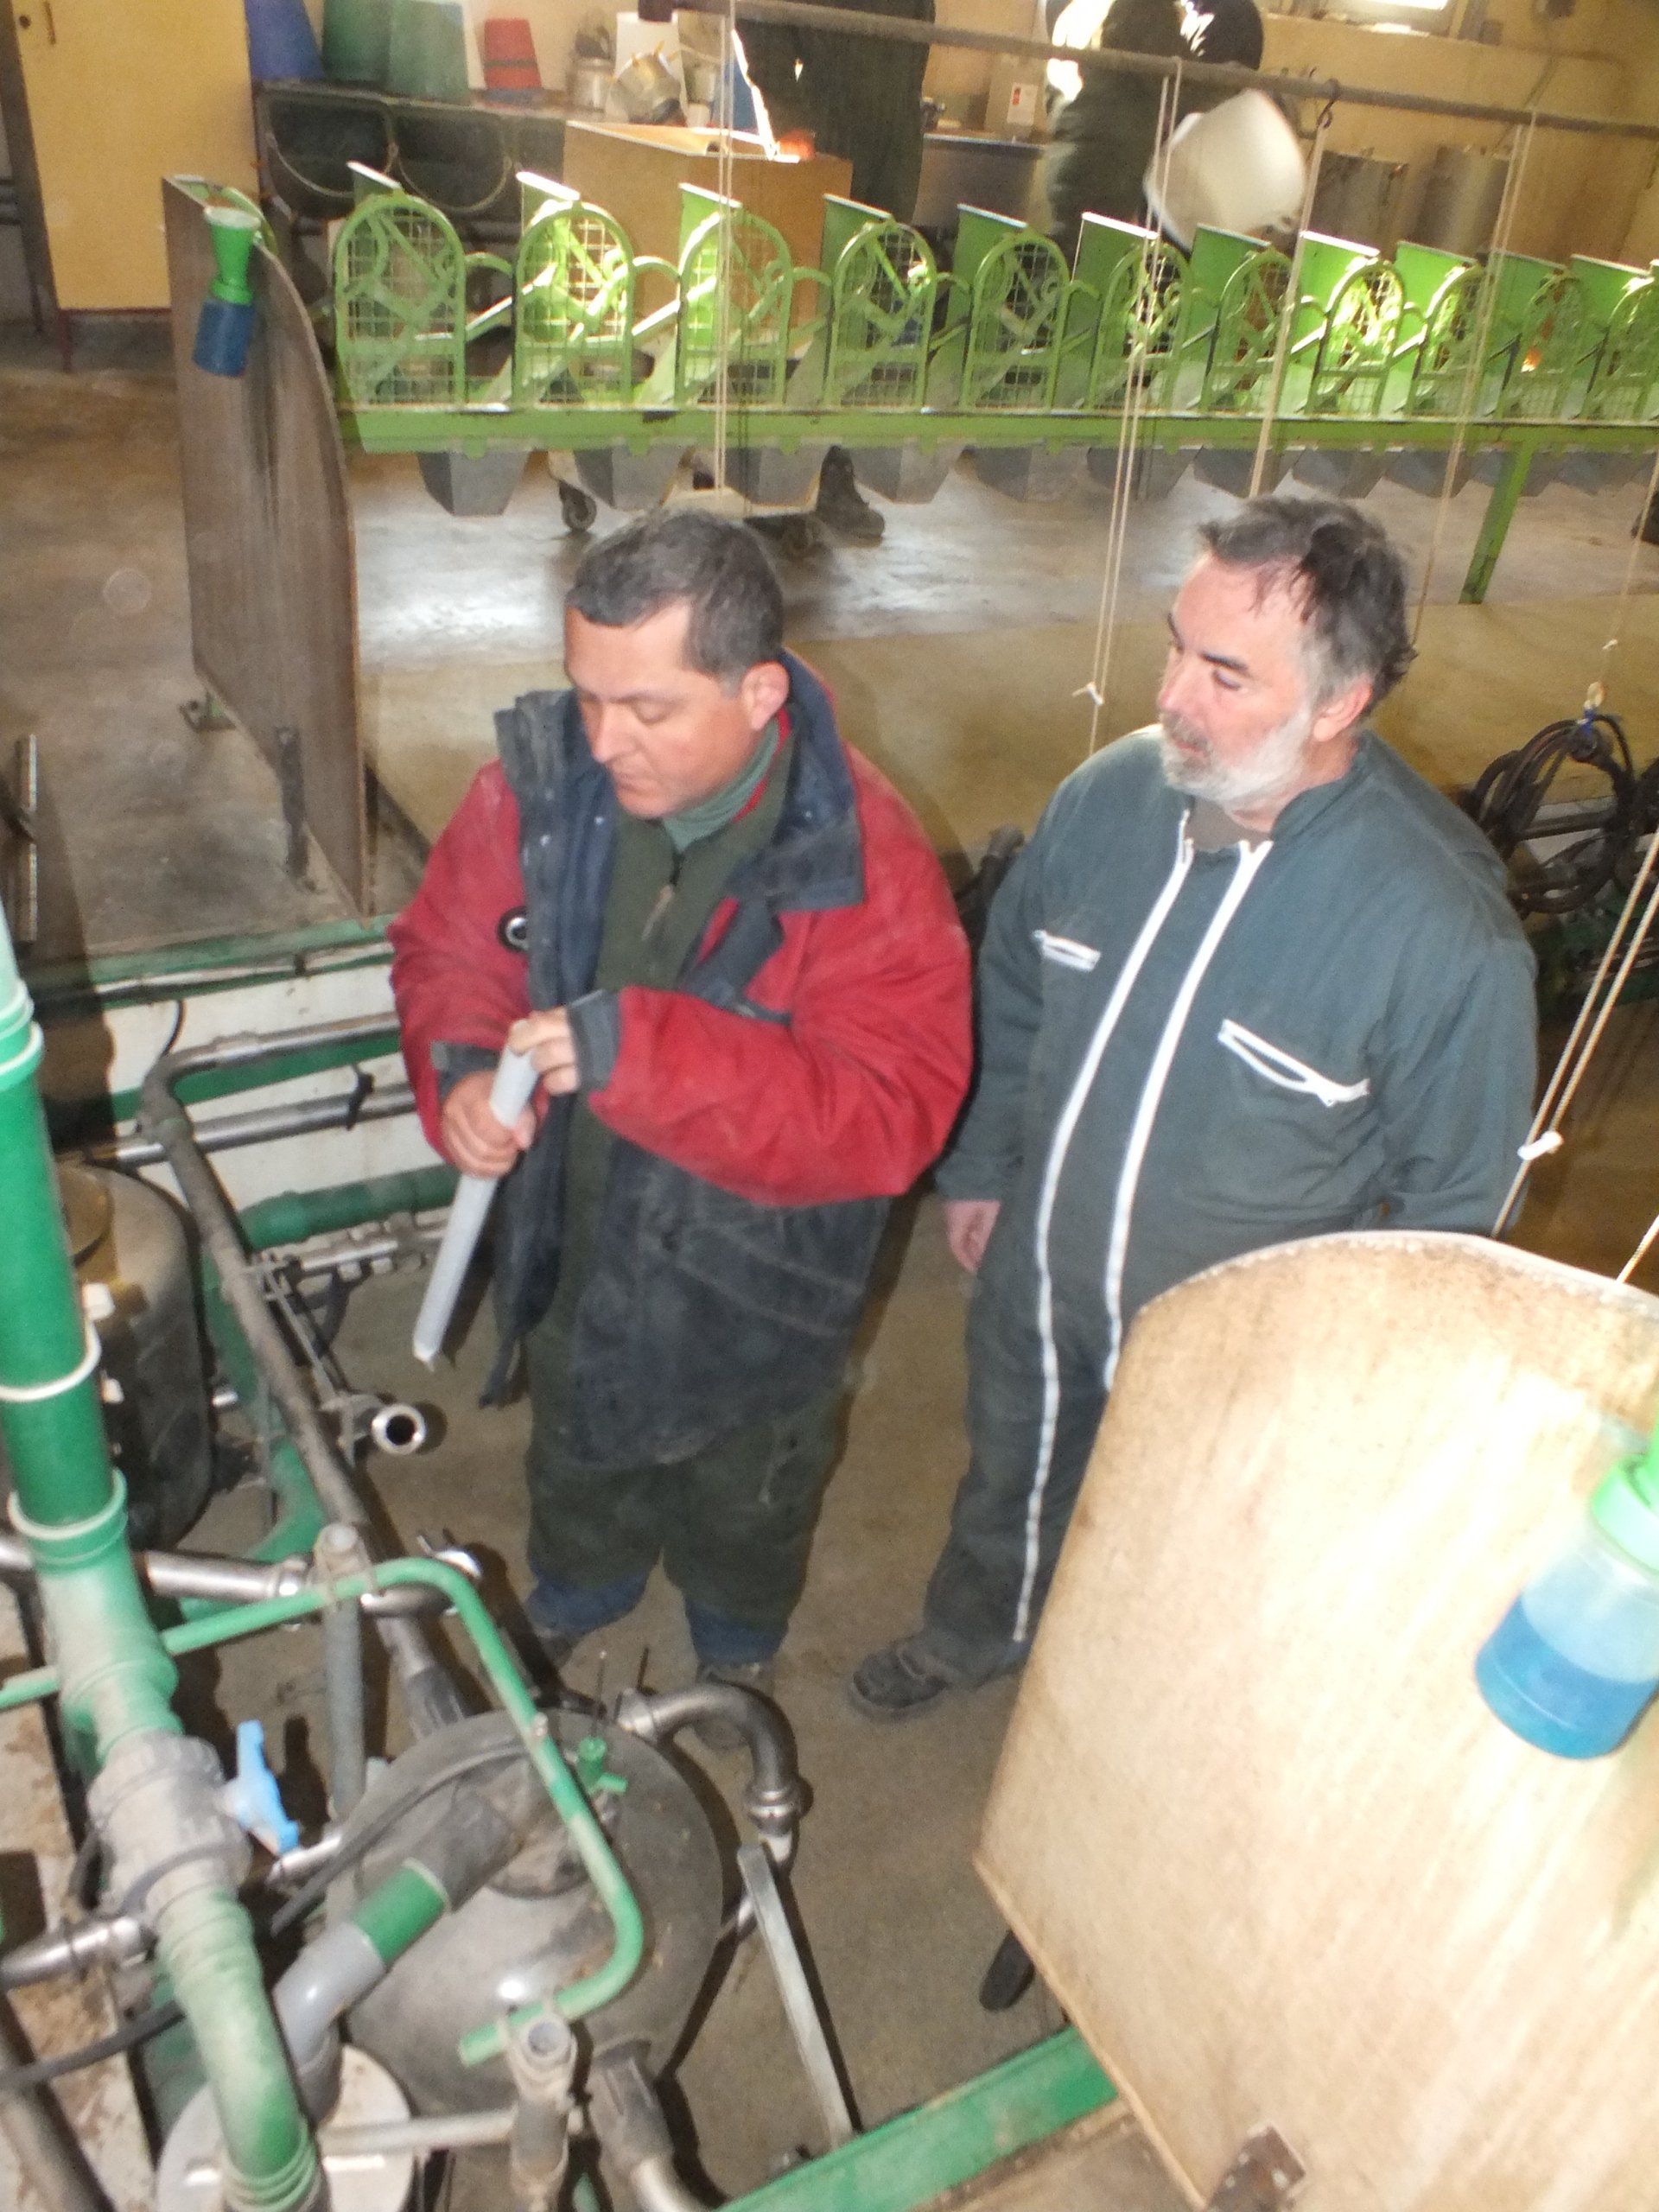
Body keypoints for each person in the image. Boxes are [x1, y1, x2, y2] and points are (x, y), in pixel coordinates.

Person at [849, 495, 1538, 1721]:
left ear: (1340, 702)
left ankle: (1126, 1716)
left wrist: (1349, 1384)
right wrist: (982, 1166)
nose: (1172, 695)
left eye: (1226, 674)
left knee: (1188, 1555)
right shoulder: (1108, 800)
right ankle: (976, 1630)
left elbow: (1453, 1213)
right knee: (1010, 1473)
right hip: (1040, 1275)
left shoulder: (1440, 933)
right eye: (1177, 645)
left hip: (1234, 1359)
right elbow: (1009, 987)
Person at [391, 512, 971, 1709]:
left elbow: (890, 1113)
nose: (604, 742)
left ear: (759, 692)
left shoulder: (863, 857)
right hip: (578, 1229)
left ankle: (736, 1635)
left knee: (750, 1475)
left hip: (758, 1281)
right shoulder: (543, 784)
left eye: (649, 709)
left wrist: (639, 1052)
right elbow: (454, 942)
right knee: (579, 1434)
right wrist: (454, 1071)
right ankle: (584, 1584)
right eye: (586, 695)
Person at [740, 0, 936, 543]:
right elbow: (760, 15)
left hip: (894, 137)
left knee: (866, 312)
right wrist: (789, 114)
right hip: (824, 130)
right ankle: (774, 472)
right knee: (804, 306)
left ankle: (828, 465)